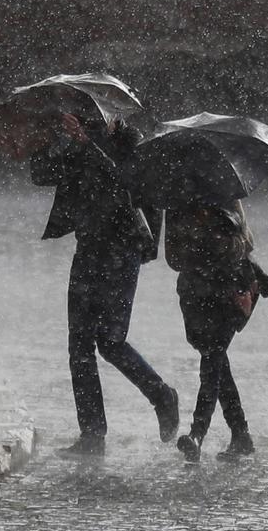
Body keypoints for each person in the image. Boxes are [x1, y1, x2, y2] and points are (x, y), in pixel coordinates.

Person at [30, 112, 180, 458]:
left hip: (122, 249)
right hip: (88, 249)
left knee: (111, 341)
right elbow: (41, 175)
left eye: (96, 116)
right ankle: (92, 435)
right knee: (79, 346)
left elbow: (128, 185)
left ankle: (162, 395)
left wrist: (89, 144)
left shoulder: (131, 142)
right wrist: (52, 143)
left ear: (112, 115)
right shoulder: (74, 142)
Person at [165, 199, 268, 462]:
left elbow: (245, 243)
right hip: (196, 295)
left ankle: (197, 434)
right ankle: (240, 434)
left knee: (212, 360)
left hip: (229, 291)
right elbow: (173, 258)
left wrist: (218, 234)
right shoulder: (176, 201)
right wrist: (195, 238)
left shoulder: (225, 190)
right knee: (217, 363)